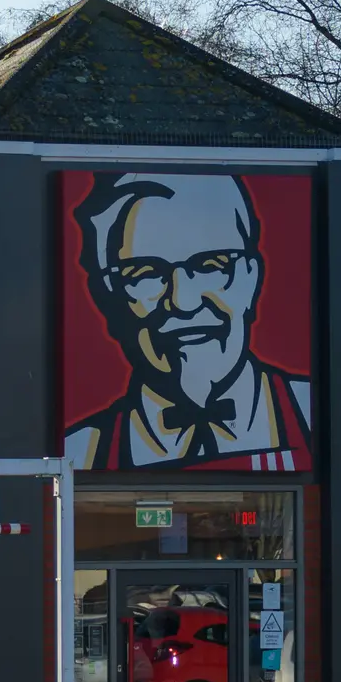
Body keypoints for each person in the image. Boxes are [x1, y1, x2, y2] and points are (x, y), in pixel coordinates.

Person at [64, 173, 310, 472]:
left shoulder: (317, 416)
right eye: (144, 274)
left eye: (210, 266)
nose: (183, 302)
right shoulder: (77, 453)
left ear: (251, 277)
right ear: (106, 296)